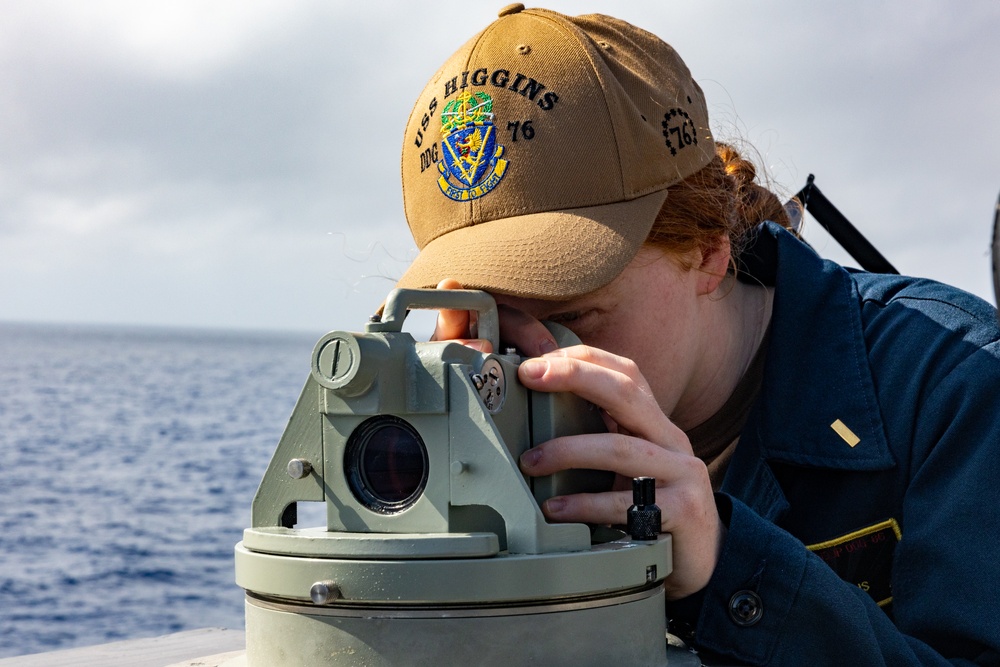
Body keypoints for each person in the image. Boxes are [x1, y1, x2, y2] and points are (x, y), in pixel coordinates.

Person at [394, 5, 1000, 665]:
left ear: (709, 252)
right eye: (493, 318)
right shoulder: (490, 422)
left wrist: (730, 569)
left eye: (575, 318)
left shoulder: (953, 389)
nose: (535, 364)